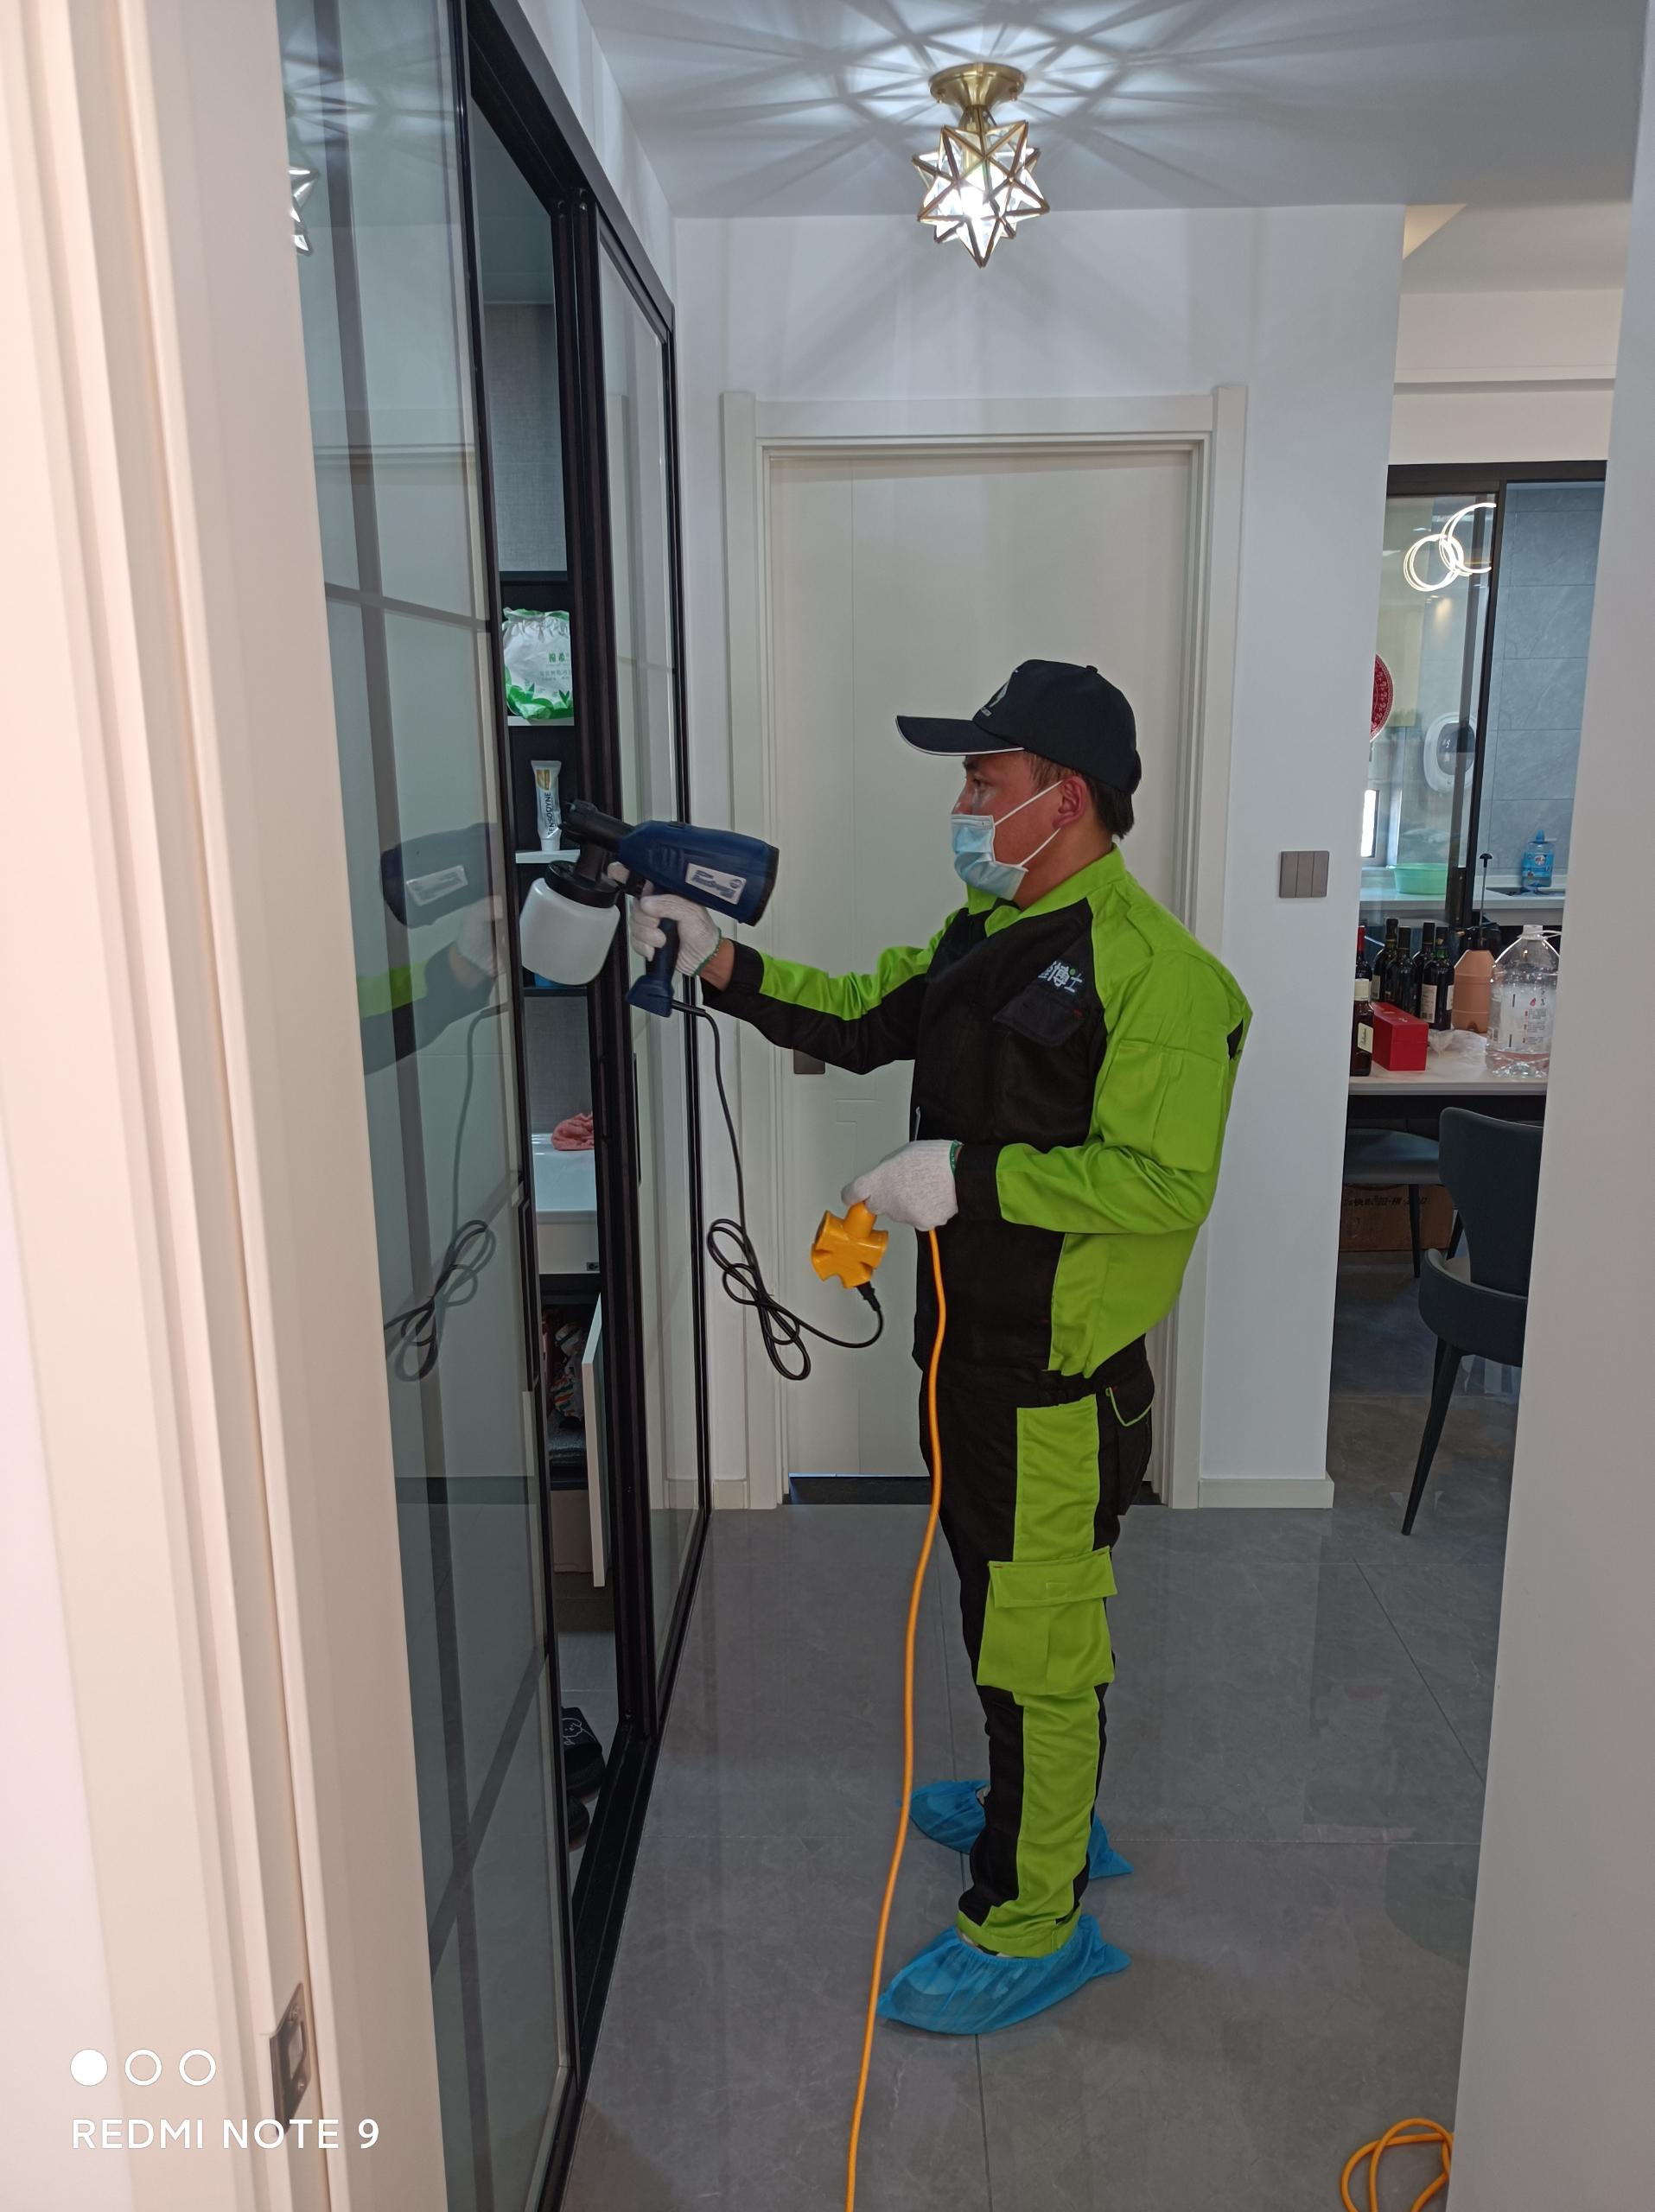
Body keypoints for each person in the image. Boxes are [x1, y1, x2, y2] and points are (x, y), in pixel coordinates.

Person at [631, 659, 1251, 2033]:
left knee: (1042, 1645)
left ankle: (1035, 1916)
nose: (964, 806)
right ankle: (1041, 1803)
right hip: (966, 1365)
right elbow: (864, 1016)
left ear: (1064, 797)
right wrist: (717, 960)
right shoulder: (983, 930)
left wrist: (965, 1177)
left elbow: (1163, 1185)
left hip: (1053, 1387)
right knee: (998, 1604)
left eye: (985, 780)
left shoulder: (1161, 978)